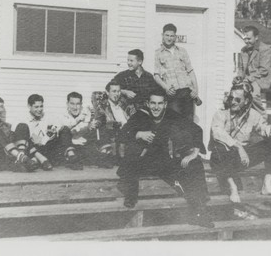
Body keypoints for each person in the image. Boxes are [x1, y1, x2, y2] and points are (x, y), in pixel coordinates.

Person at [116, 90, 213, 228]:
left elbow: (195, 129)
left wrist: (195, 152)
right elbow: (121, 135)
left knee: (194, 165)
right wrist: (139, 134)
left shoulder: (170, 115)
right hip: (142, 161)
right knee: (131, 161)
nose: (156, 107)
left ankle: (199, 212)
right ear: (148, 104)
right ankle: (130, 195)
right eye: (153, 103)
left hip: (163, 161)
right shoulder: (140, 115)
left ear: (165, 104)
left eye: (160, 103)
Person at [209, 81, 271, 204]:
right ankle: (232, 187)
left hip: (241, 159)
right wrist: (238, 147)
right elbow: (217, 133)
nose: (233, 102)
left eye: (237, 99)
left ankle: (267, 185)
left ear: (245, 101)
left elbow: (265, 131)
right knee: (219, 148)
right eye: (231, 98)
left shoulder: (253, 115)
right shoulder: (221, 114)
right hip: (222, 158)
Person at [0, 96, 39, 172]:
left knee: (22, 126)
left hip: (7, 159)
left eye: (1, 107)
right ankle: (23, 159)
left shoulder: (7, 126)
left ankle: (22, 159)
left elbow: (13, 142)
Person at [13, 94, 76, 170]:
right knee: (23, 130)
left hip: (46, 147)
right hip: (31, 148)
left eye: (41, 106)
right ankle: (37, 160)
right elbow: (17, 134)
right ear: (29, 106)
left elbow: (60, 126)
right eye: (36, 107)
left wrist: (54, 131)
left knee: (64, 129)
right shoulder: (22, 118)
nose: (39, 109)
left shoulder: (47, 117)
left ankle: (72, 157)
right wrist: (32, 137)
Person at [154, 23, 201, 120]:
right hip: (173, 93)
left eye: (172, 36)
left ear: (175, 37)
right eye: (167, 35)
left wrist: (196, 90)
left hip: (187, 91)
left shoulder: (182, 51)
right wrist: (166, 88)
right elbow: (156, 76)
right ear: (162, 35)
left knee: (188, 122)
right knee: (175, 122)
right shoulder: (158, 53)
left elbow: (191, 71)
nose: (169, 38)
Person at [57, 92, 114, 170]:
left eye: (78, 104)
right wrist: (79, 121)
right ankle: (72, 159)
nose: (75, 107)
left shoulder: (86, 113)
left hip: (84, 146)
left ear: (81, 104)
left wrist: (92, 125)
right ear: (67, 104)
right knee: (64, 129)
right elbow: (66, 132)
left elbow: (88, 132)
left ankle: (103, 156)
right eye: (72, 104)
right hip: (70, 147)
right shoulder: (62, 116)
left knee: (101, 125)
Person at [235, 25, 271, 114]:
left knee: (253, 95)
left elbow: (264, 70)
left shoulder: (265, 49)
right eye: (245, 39)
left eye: (249, 39)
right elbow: (241, 68)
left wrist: (248, 79)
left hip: (260, 79)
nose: (246, 41)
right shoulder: (243, 50)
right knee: (234, 93)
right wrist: (239, 77)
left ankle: (262, 116)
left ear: (256, 37)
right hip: (247, 80)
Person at [97, 81, 136, 163]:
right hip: (116, 133)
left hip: (129, 132)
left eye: (118, 91)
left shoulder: (125, 104)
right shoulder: (103, 107)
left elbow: (134, 117)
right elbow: (102, 122)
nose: (117, 94)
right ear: (107, 92)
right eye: (114, 91)